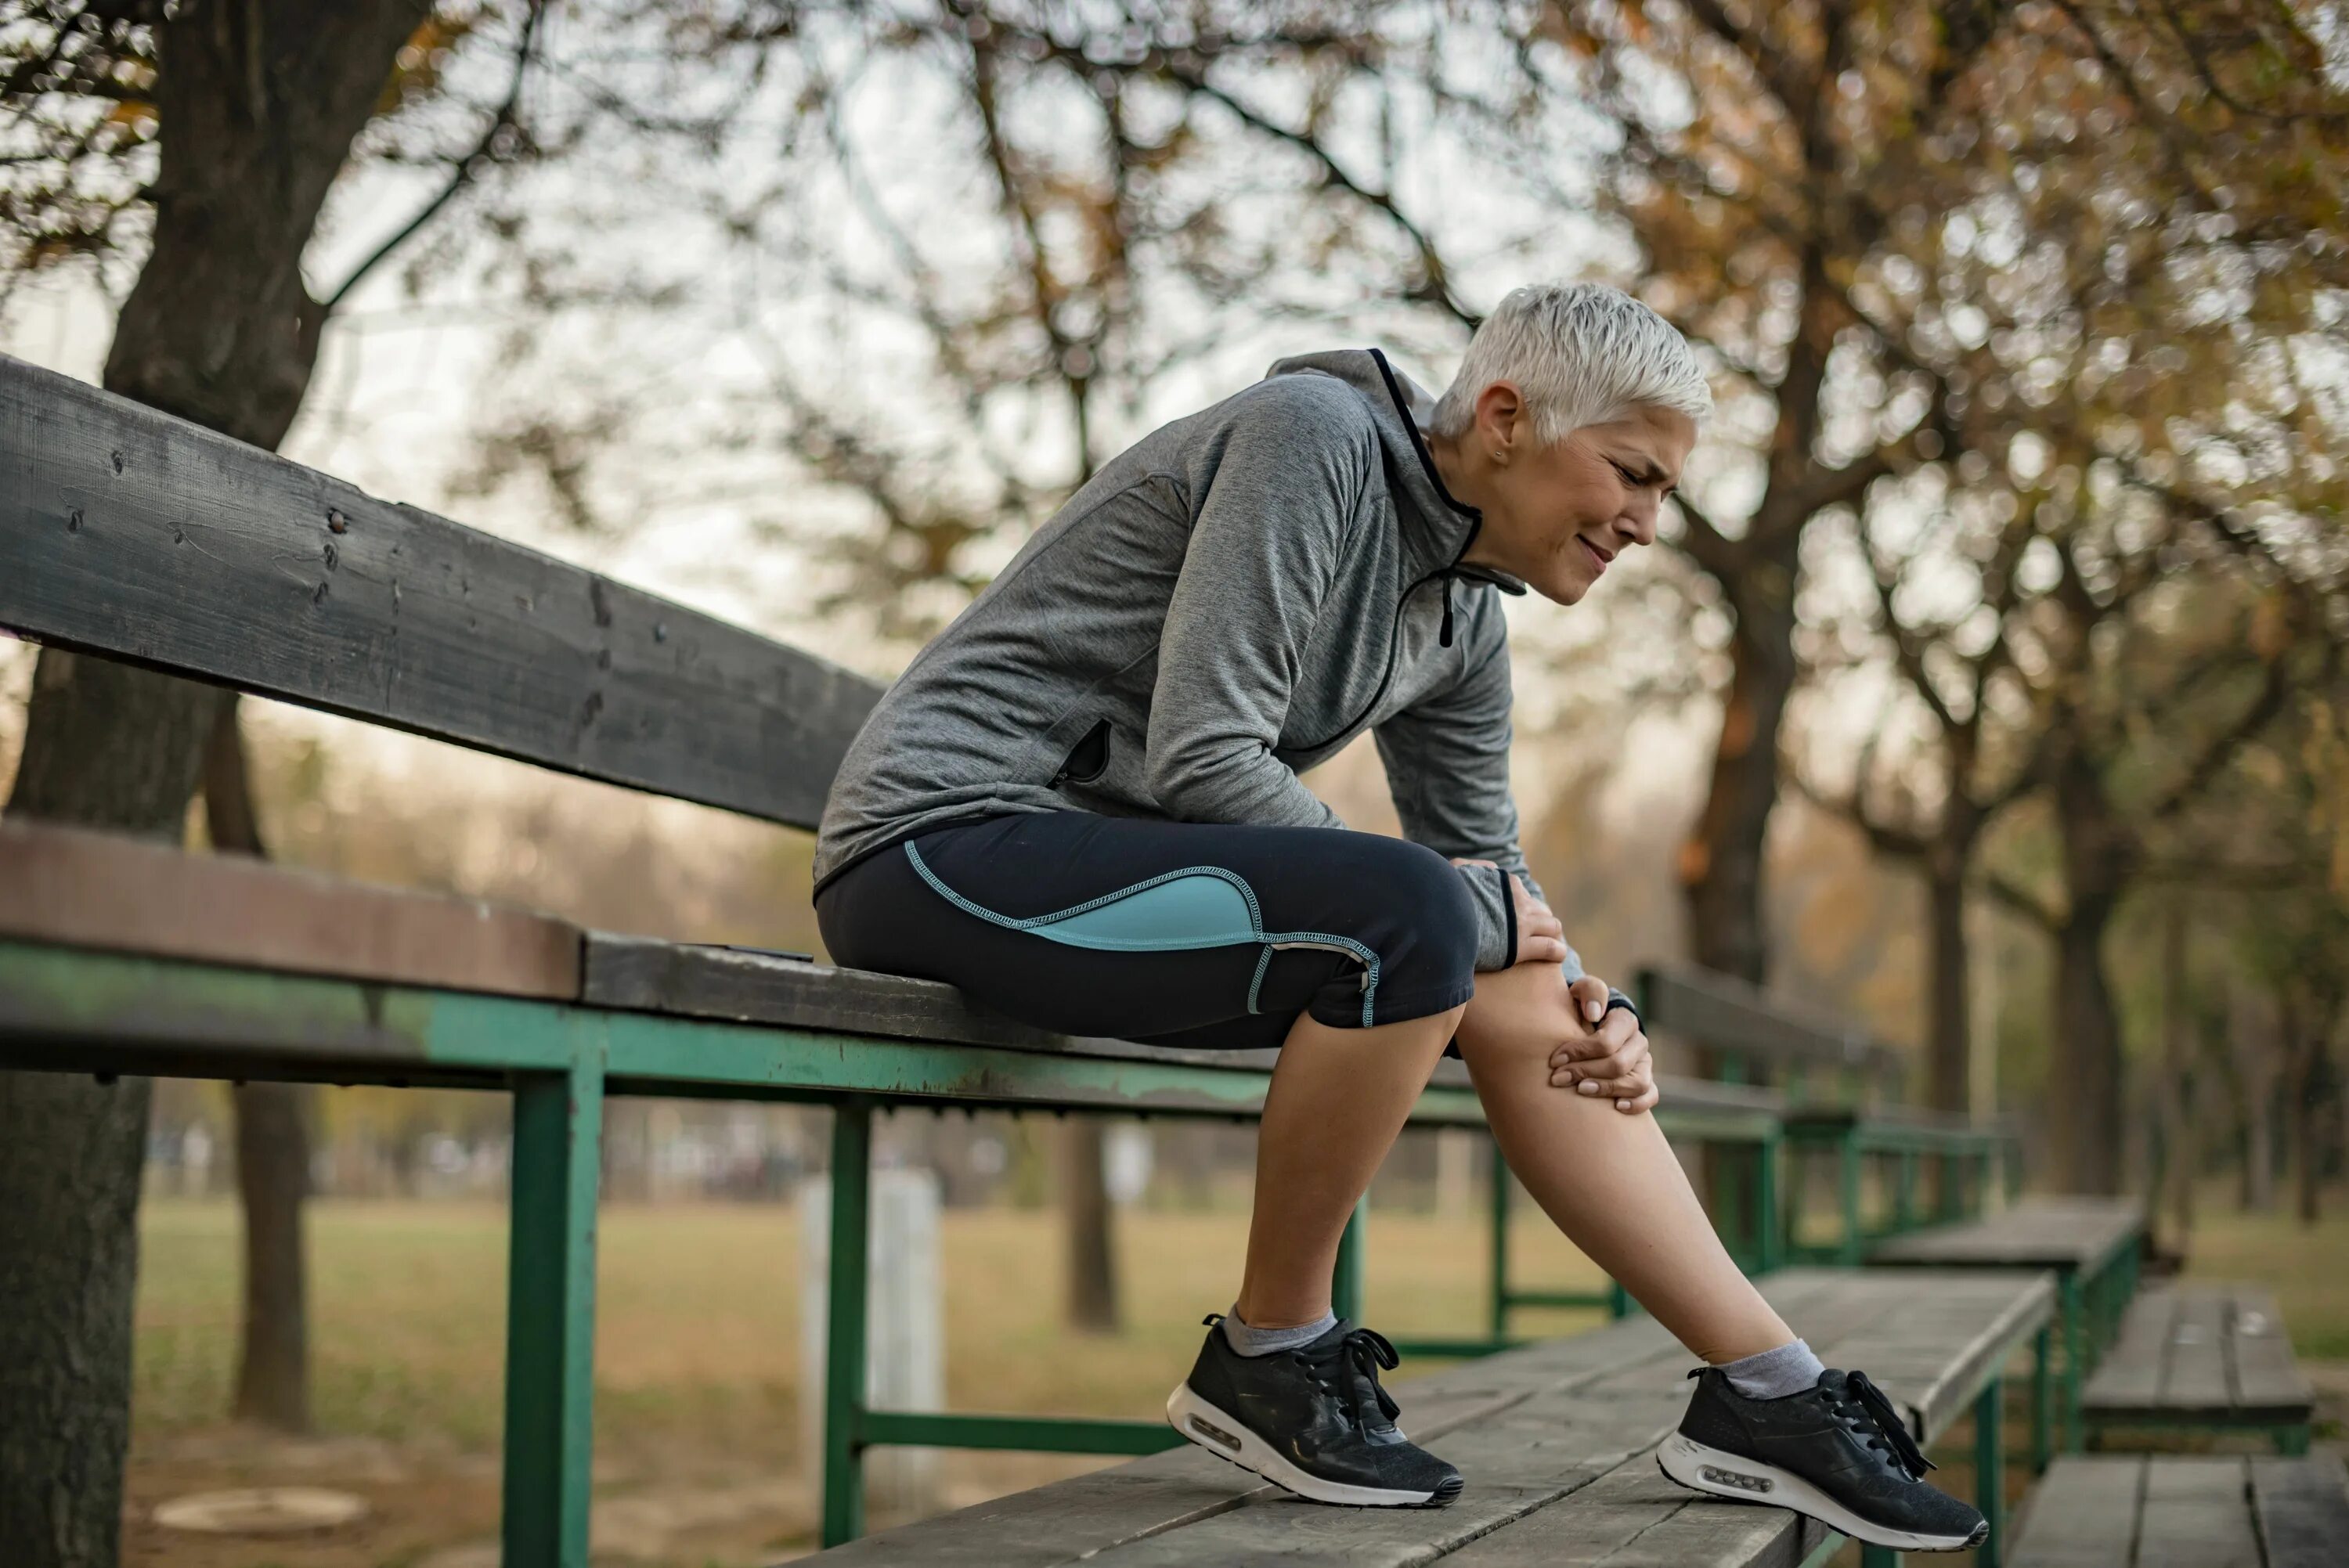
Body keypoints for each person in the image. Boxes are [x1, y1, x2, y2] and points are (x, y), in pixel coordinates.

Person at [812, 283, 1986, 1552]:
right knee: (1420, 915)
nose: (1646, 523)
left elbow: (1492, 866)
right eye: (1631, 475)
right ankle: (1270, 1353)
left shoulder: (1466, 617)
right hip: (938, 848)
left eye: (1662, 494)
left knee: (1502, 962)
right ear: (1503, 418)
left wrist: (1598, 1003)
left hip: (1117, 884)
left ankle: (1771, 1392)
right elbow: (1210, 757)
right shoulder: (1309, 438)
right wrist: (1463, 906)